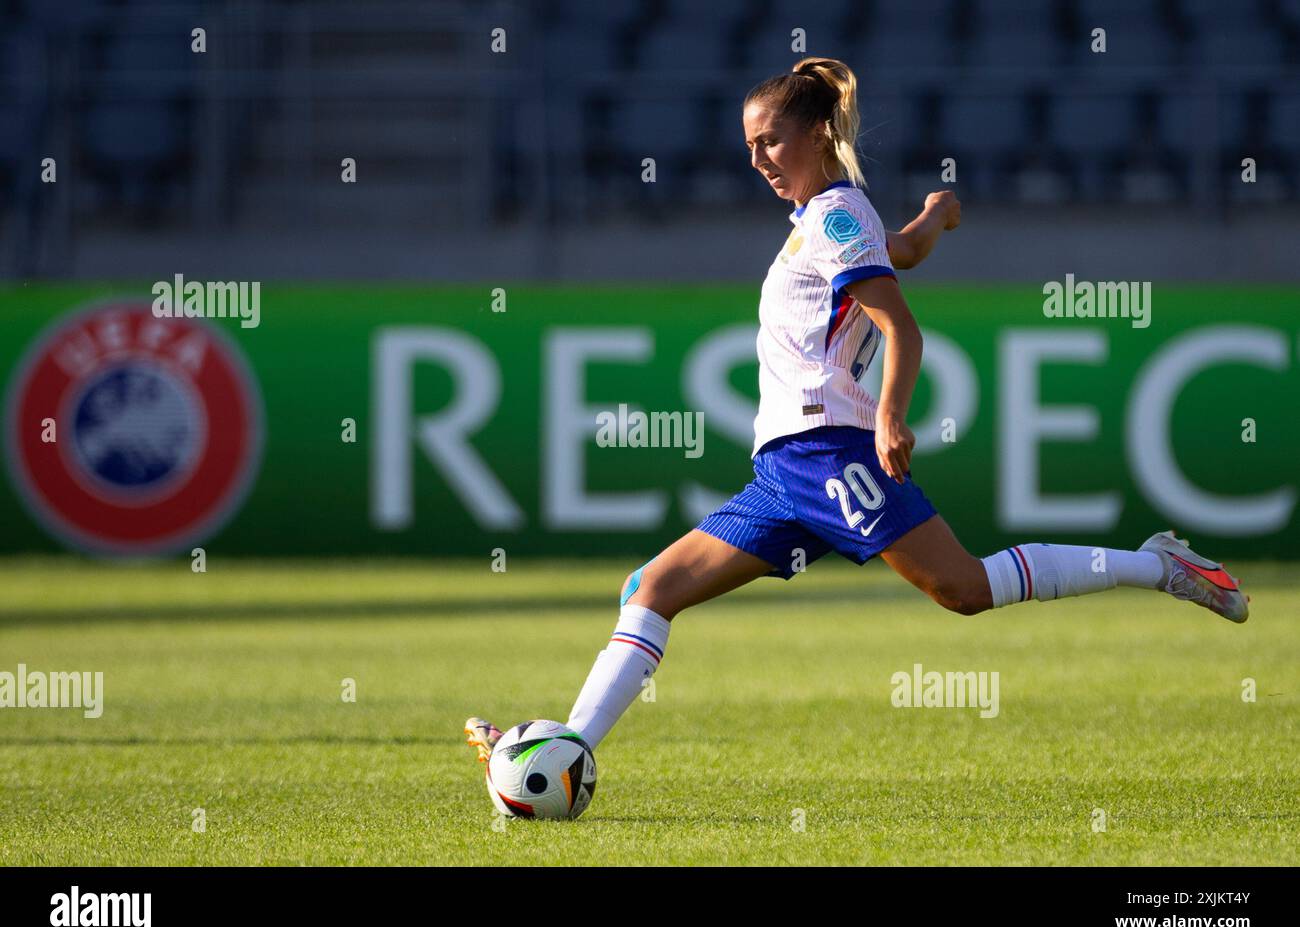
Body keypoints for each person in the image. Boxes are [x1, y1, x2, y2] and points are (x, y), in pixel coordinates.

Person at [465, 56, 1247, 766]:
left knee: (965, 589)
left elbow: (898, 322)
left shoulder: (835, 215)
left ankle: (1158, 566)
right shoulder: (831, 218)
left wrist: (889, 415)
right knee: (652, 590)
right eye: (748, 147)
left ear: (818, 132)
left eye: (771, 141)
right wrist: (934, 220)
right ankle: (563, 752)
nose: (758, 160)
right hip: (784, 469)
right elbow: (896, 252)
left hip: (829, 449)